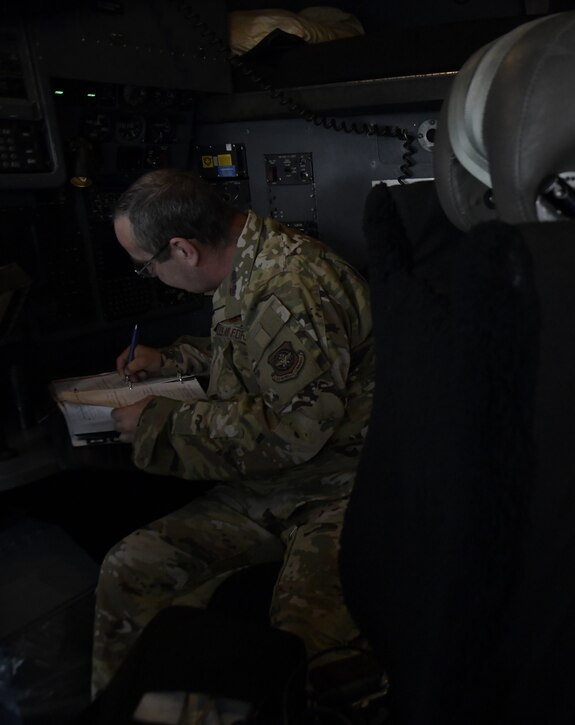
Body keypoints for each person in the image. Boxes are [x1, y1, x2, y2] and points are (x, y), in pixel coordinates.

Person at [90, 168, 376, 698]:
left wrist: (156, 422)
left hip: (334, 490)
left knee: (306, 648)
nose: (150, 277)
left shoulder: (290, 285)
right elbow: (249, 350)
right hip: (273, 486)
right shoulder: (247, 256)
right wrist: (171, 359)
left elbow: (295, 429)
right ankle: (124, 709)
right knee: (129, 570)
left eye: (146, 267)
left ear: (183, 249)